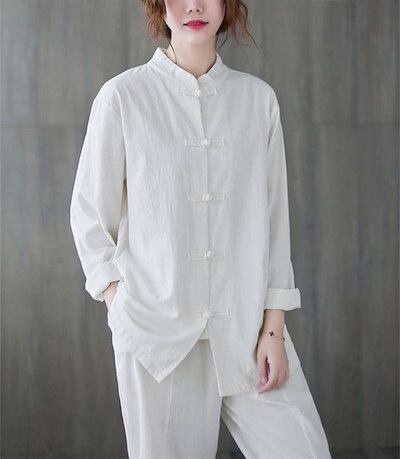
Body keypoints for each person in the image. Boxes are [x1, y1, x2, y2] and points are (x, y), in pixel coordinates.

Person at [69, 0, 332, 457]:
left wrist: (273, 329)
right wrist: (120, 305)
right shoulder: (123, 97)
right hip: (157, 337)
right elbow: (89, 215)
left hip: (248, 329)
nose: (194, 5)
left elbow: (275, 222)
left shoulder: (257, 101)